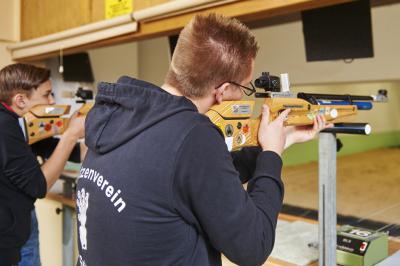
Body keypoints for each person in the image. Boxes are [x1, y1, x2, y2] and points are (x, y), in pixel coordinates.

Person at [76, 14, 330, 266]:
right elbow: (254, 245)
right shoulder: (193, 135)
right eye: (244, 87)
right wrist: (272, 157)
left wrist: (277, 143)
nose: (243, 97)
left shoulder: (123, 116)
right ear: (222, 90)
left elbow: (199, 180)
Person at [0, 63, 85, 266]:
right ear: (20, 100)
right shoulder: (4, 126)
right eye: (47, 94)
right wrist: (71, 134)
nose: (52, 101)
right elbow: (39, 185)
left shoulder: (19, 122)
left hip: (19, 223)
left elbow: (65, 150)